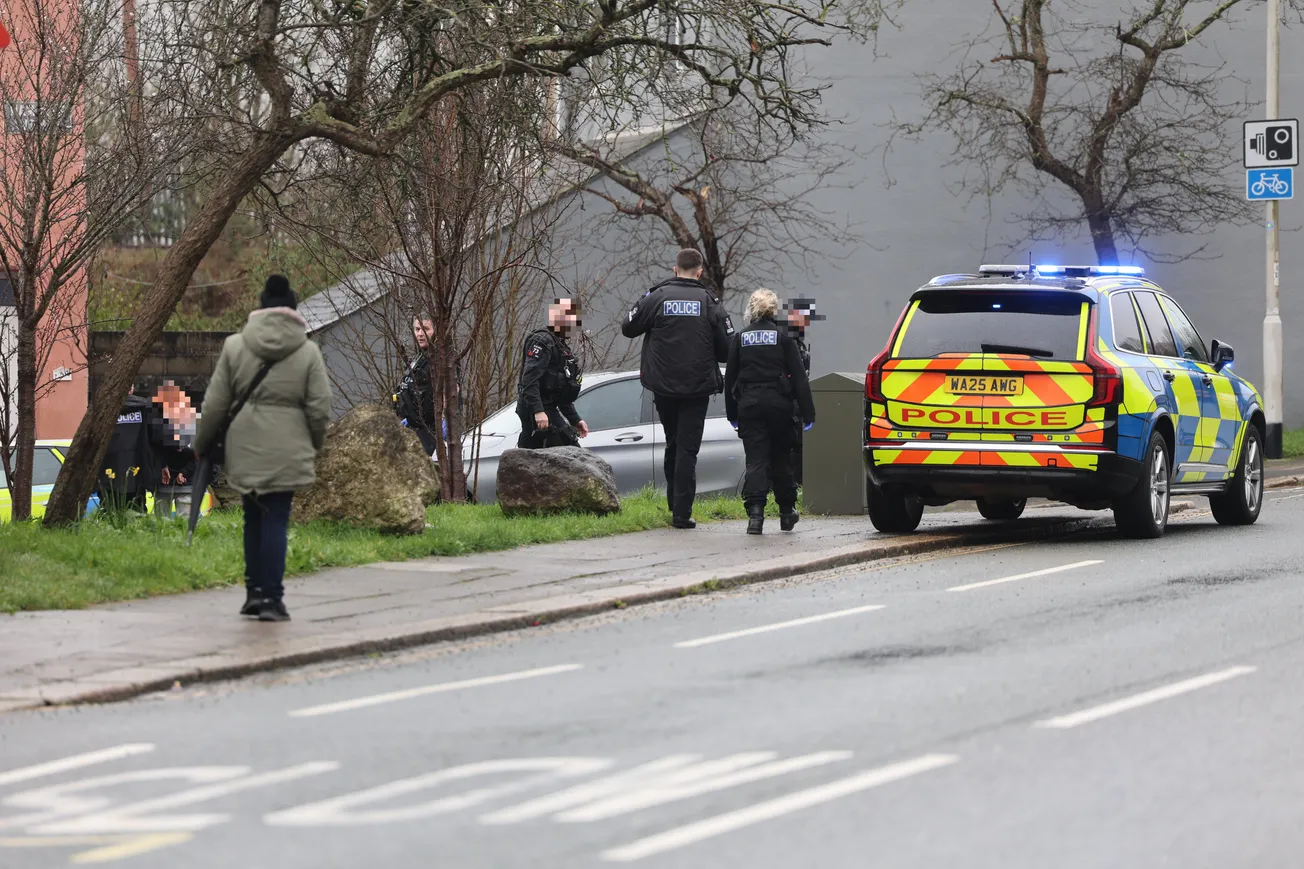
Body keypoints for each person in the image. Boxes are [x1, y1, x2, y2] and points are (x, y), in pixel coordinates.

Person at [195, 275, 332, 622]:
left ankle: (253, 592)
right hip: (288, 448)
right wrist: (316, 444)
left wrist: (202, 443)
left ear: (261, 307)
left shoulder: (235, 347)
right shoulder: (308, 351)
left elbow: (215, 403)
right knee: (276, 519)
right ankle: (272, 598)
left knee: (251, 517)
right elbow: (319, 407)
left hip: (244, 447)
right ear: (293, 308)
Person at [622, 249, 733, 528]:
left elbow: (628, 327)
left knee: (672, 443)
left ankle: (674, 502)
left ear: (674, 269)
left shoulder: (657, 297)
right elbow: (727, 351)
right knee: (687, 449)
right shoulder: (709, 302)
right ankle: (682, 513)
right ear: (699, 272)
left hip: (663, 386)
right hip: (697, 389)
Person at [725, 288, 815, 535]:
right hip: (780, 407)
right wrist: (808, 414)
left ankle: (755, 515)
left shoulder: (740, 339)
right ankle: (787, 513)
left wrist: (732, 414)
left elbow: (730, 379)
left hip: (750, 407)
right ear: (774, 310)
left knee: (756, 460)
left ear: (750, 310)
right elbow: (799, 379)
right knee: (781, 460)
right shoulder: (784, 337)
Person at [516, 298, 589, 448]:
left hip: (547, 408)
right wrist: (538, 411)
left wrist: (575, 419)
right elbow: (529, 380)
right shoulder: (542, 341)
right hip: (536, 411)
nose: (576, 326)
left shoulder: (560, 347)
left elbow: (560, 391)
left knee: (561, 450)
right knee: (569, 448)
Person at [393, 316, 460, 455]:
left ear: (436, 331)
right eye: (417, 329)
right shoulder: (420, 358)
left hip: (432, 432)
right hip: (416, 429)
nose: (420, 334)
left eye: (425, 329)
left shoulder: (443, 358)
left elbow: (453, 391)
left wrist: (446, 420)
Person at [784, 297, 822, 486]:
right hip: (789, 401)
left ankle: (797, 484)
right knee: (794, 447)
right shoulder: (789, 338)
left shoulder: (798, 339)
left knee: (798, 447)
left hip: (795, 402)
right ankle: (794, 484)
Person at [150, 380, 198, 518]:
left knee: (182, 519)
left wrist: (185, 472)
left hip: (185, 481)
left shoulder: (192, 424)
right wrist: (162, 466)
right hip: (164, 479)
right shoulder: (157, 424)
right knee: (161, 520)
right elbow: (154, 449)